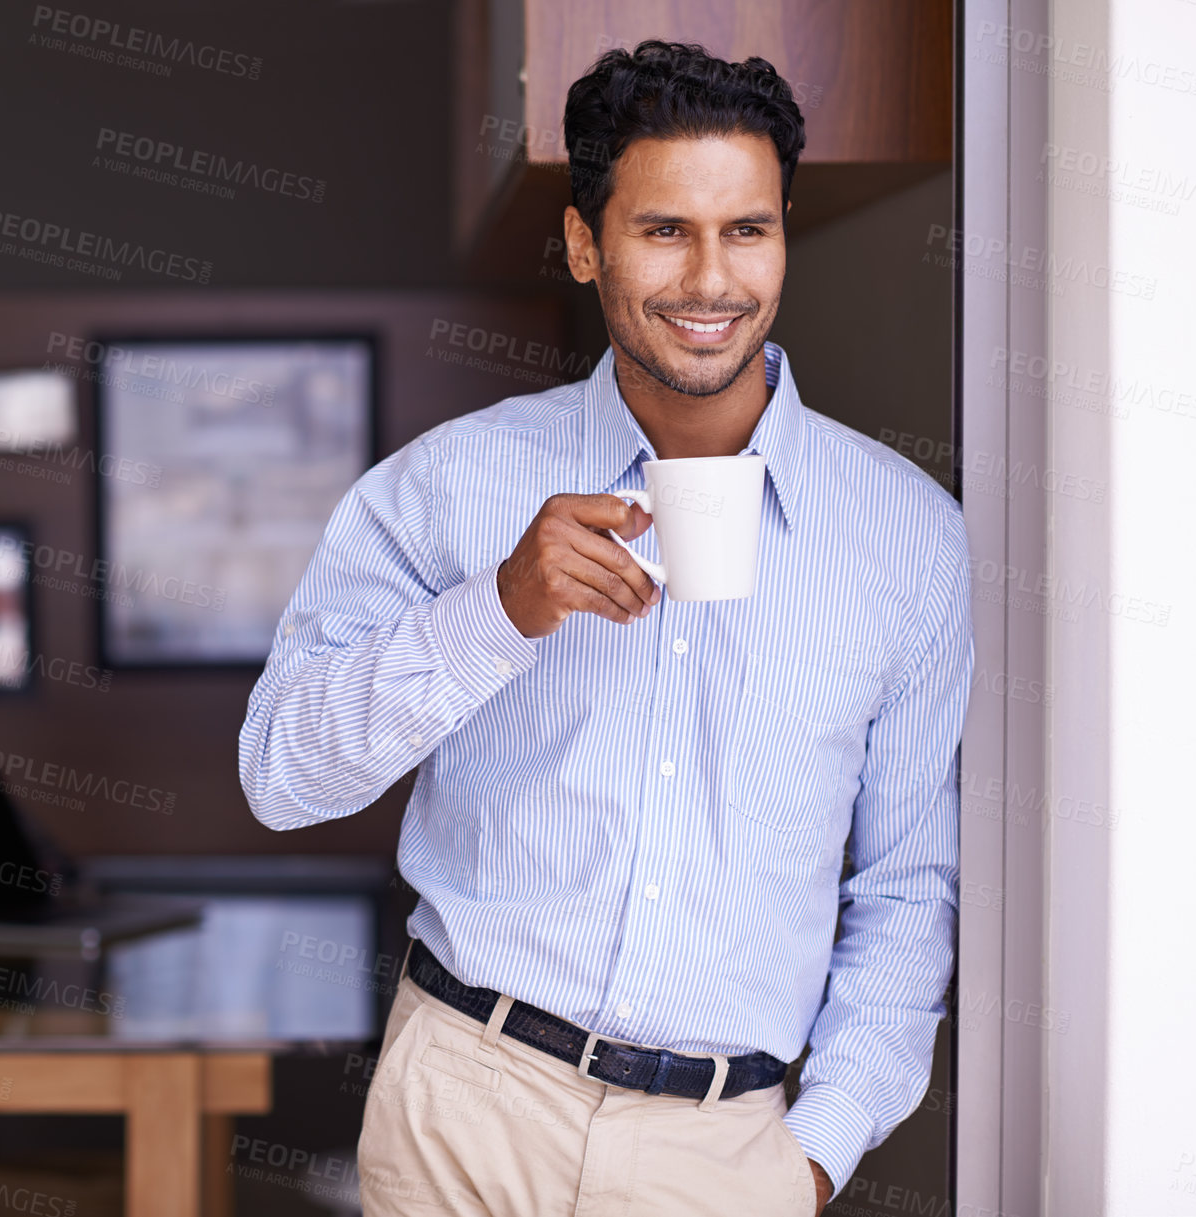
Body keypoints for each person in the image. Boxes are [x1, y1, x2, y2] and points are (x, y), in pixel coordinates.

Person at [239, 40, 974, 1217]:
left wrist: (817, 1150)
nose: (711, 279)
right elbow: (280, 772)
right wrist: (497, 610)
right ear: (587, 244)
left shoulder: (911, 540)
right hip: (463, 1113)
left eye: (747, 229)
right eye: (664, 230)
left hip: (725, 1151)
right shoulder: (444, 486)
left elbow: (909, 884)